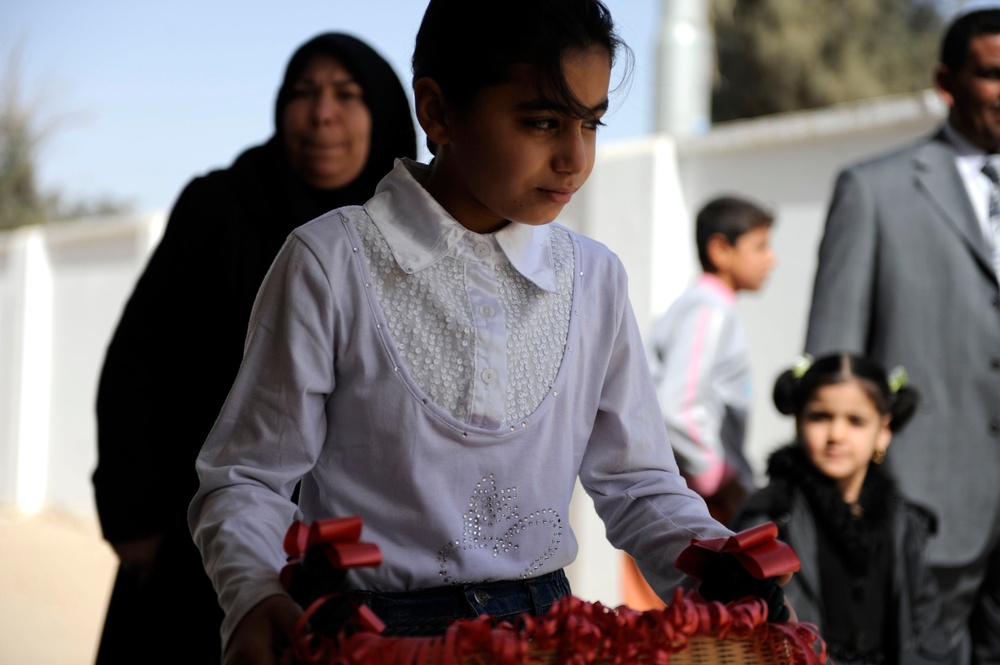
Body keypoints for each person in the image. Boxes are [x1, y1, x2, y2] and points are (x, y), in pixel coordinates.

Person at [187, 2, 792, 663]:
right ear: (438, 111)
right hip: (371, 636)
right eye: (542, 121)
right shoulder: (332, 262)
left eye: (591, 122)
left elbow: (640, 484)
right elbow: (248, 476)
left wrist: (720, 566)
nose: (574, 156)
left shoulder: (594, 279)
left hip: (555, 635)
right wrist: (253, 590)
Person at [92, 33, 416, 665]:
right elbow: (137, 363)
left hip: (363, 566)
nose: (322, 113)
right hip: (201, 543)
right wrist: (133, 519)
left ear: (384, 112)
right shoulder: (218, 206)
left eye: (347, 96)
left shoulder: (410, 237)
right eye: (304, 93)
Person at [804, 8, 1000, 663]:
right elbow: (833, 366)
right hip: (921, 515)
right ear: (947, 80)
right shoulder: (873, 190)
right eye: (994, 74)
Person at [733, 354, 951, 665]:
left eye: (856, 421)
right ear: (798, 420)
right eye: (820, 417)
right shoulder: (769, 520)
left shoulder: (904, 522)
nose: (836, 435)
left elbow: (928, 630)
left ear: (884, 430)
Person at [621, 195, 775, 611]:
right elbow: (679, 404)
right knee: (688, 624)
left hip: (687, 489)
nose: (771, 259)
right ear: (720, 250)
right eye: (760, 246)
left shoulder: (705, 306)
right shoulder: (709, 309)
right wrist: (716, 476)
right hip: (693, 497)